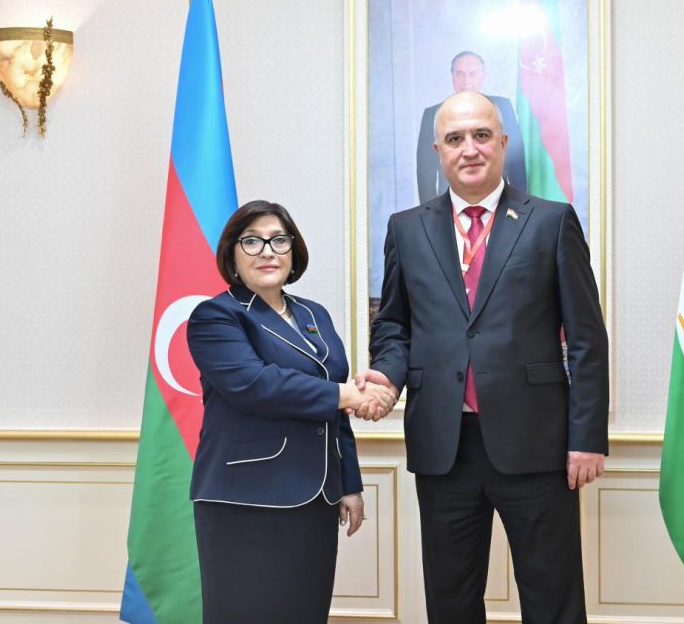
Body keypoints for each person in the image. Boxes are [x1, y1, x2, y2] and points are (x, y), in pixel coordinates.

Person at [357, 92, 609, 623]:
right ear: (438, 151)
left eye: (480, 135)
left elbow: (587, 338)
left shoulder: (551, 221)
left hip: (537, 445)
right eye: (454, 139)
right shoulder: (406, 228)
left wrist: (586, 437)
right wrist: (386, 376)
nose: (469, 149)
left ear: (502, 143)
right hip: (444, 446)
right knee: (451, 601)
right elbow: (396, 326)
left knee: (554, 599)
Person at [187, 200, 394, 624]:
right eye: (252, 241)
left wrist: (349, 484)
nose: (268, 251)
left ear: (293, 251)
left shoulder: (313, 314)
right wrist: (348, 395)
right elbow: (255, 385)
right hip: (246, 498)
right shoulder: (216, 316)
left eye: (279, 240)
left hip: (316, 498)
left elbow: (333, 408)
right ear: (232, 255)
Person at [416, 51, 527, 204]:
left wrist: (521, 206)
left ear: (482, 76)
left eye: (472, 74)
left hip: (499, 201)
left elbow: (516, 165)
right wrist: (430, 212)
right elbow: (425, 174)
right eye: (460, 74)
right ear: (452, 77)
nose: (466, 80)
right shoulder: (432, 114)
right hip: (449, 203)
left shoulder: (503, 107)